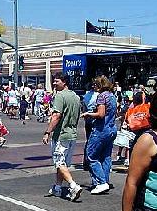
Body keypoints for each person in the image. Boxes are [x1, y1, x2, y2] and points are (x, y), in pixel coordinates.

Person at [42, 73, 82, 202]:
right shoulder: (75, 97)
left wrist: (48, 132)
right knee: (62, 163)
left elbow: (56, 116)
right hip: (72, 134)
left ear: (64, 82)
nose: (54, 84)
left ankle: (73, 185)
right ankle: (58, 188)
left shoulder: (60, 96)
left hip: (61, 134)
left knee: (59, 162)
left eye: (56, 81)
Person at [82, 76, 117, 194]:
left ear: (100, 85)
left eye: (95, 84)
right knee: (106, 157)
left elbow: (101, 114)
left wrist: (88, 114)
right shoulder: (112, 96)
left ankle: (101, 182)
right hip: (111, 128)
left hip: (101, 129)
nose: (94, 86)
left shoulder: (101, 96)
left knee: (91, 155)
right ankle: (105, 181)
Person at [82, 82, 99, 170]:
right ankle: (93, 160)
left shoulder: (86, 95)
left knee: (88, 140)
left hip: (88, 119)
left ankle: (86, 161)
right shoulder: (99, 95)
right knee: (95, 140)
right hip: (95, 119)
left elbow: (84, 108)